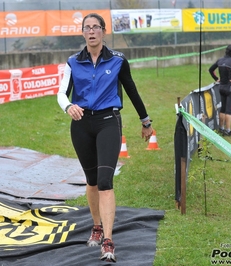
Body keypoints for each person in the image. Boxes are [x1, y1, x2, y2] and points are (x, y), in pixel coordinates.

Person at [57, 13, 153, 263]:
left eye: (95, 27)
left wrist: (145, 121)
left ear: (103, 31)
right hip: (80, 125)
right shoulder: (72, 62)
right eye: (87, 28)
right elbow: (61, 93)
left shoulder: (118, 60)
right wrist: (68, 107)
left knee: (105, 181)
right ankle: (96, 226)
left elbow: (131, 89)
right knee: (91, 180)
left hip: (108, 122)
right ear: (82, 33)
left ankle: (108, 240)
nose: (91, 32)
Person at [209, 44, 231, 137]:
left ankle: (221, 128)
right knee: (228, 110)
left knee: (222, 108)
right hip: (230, 87)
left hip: (221, 87)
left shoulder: (220, 60)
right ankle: (228, 130)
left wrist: (216, 79)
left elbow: (211, 69)